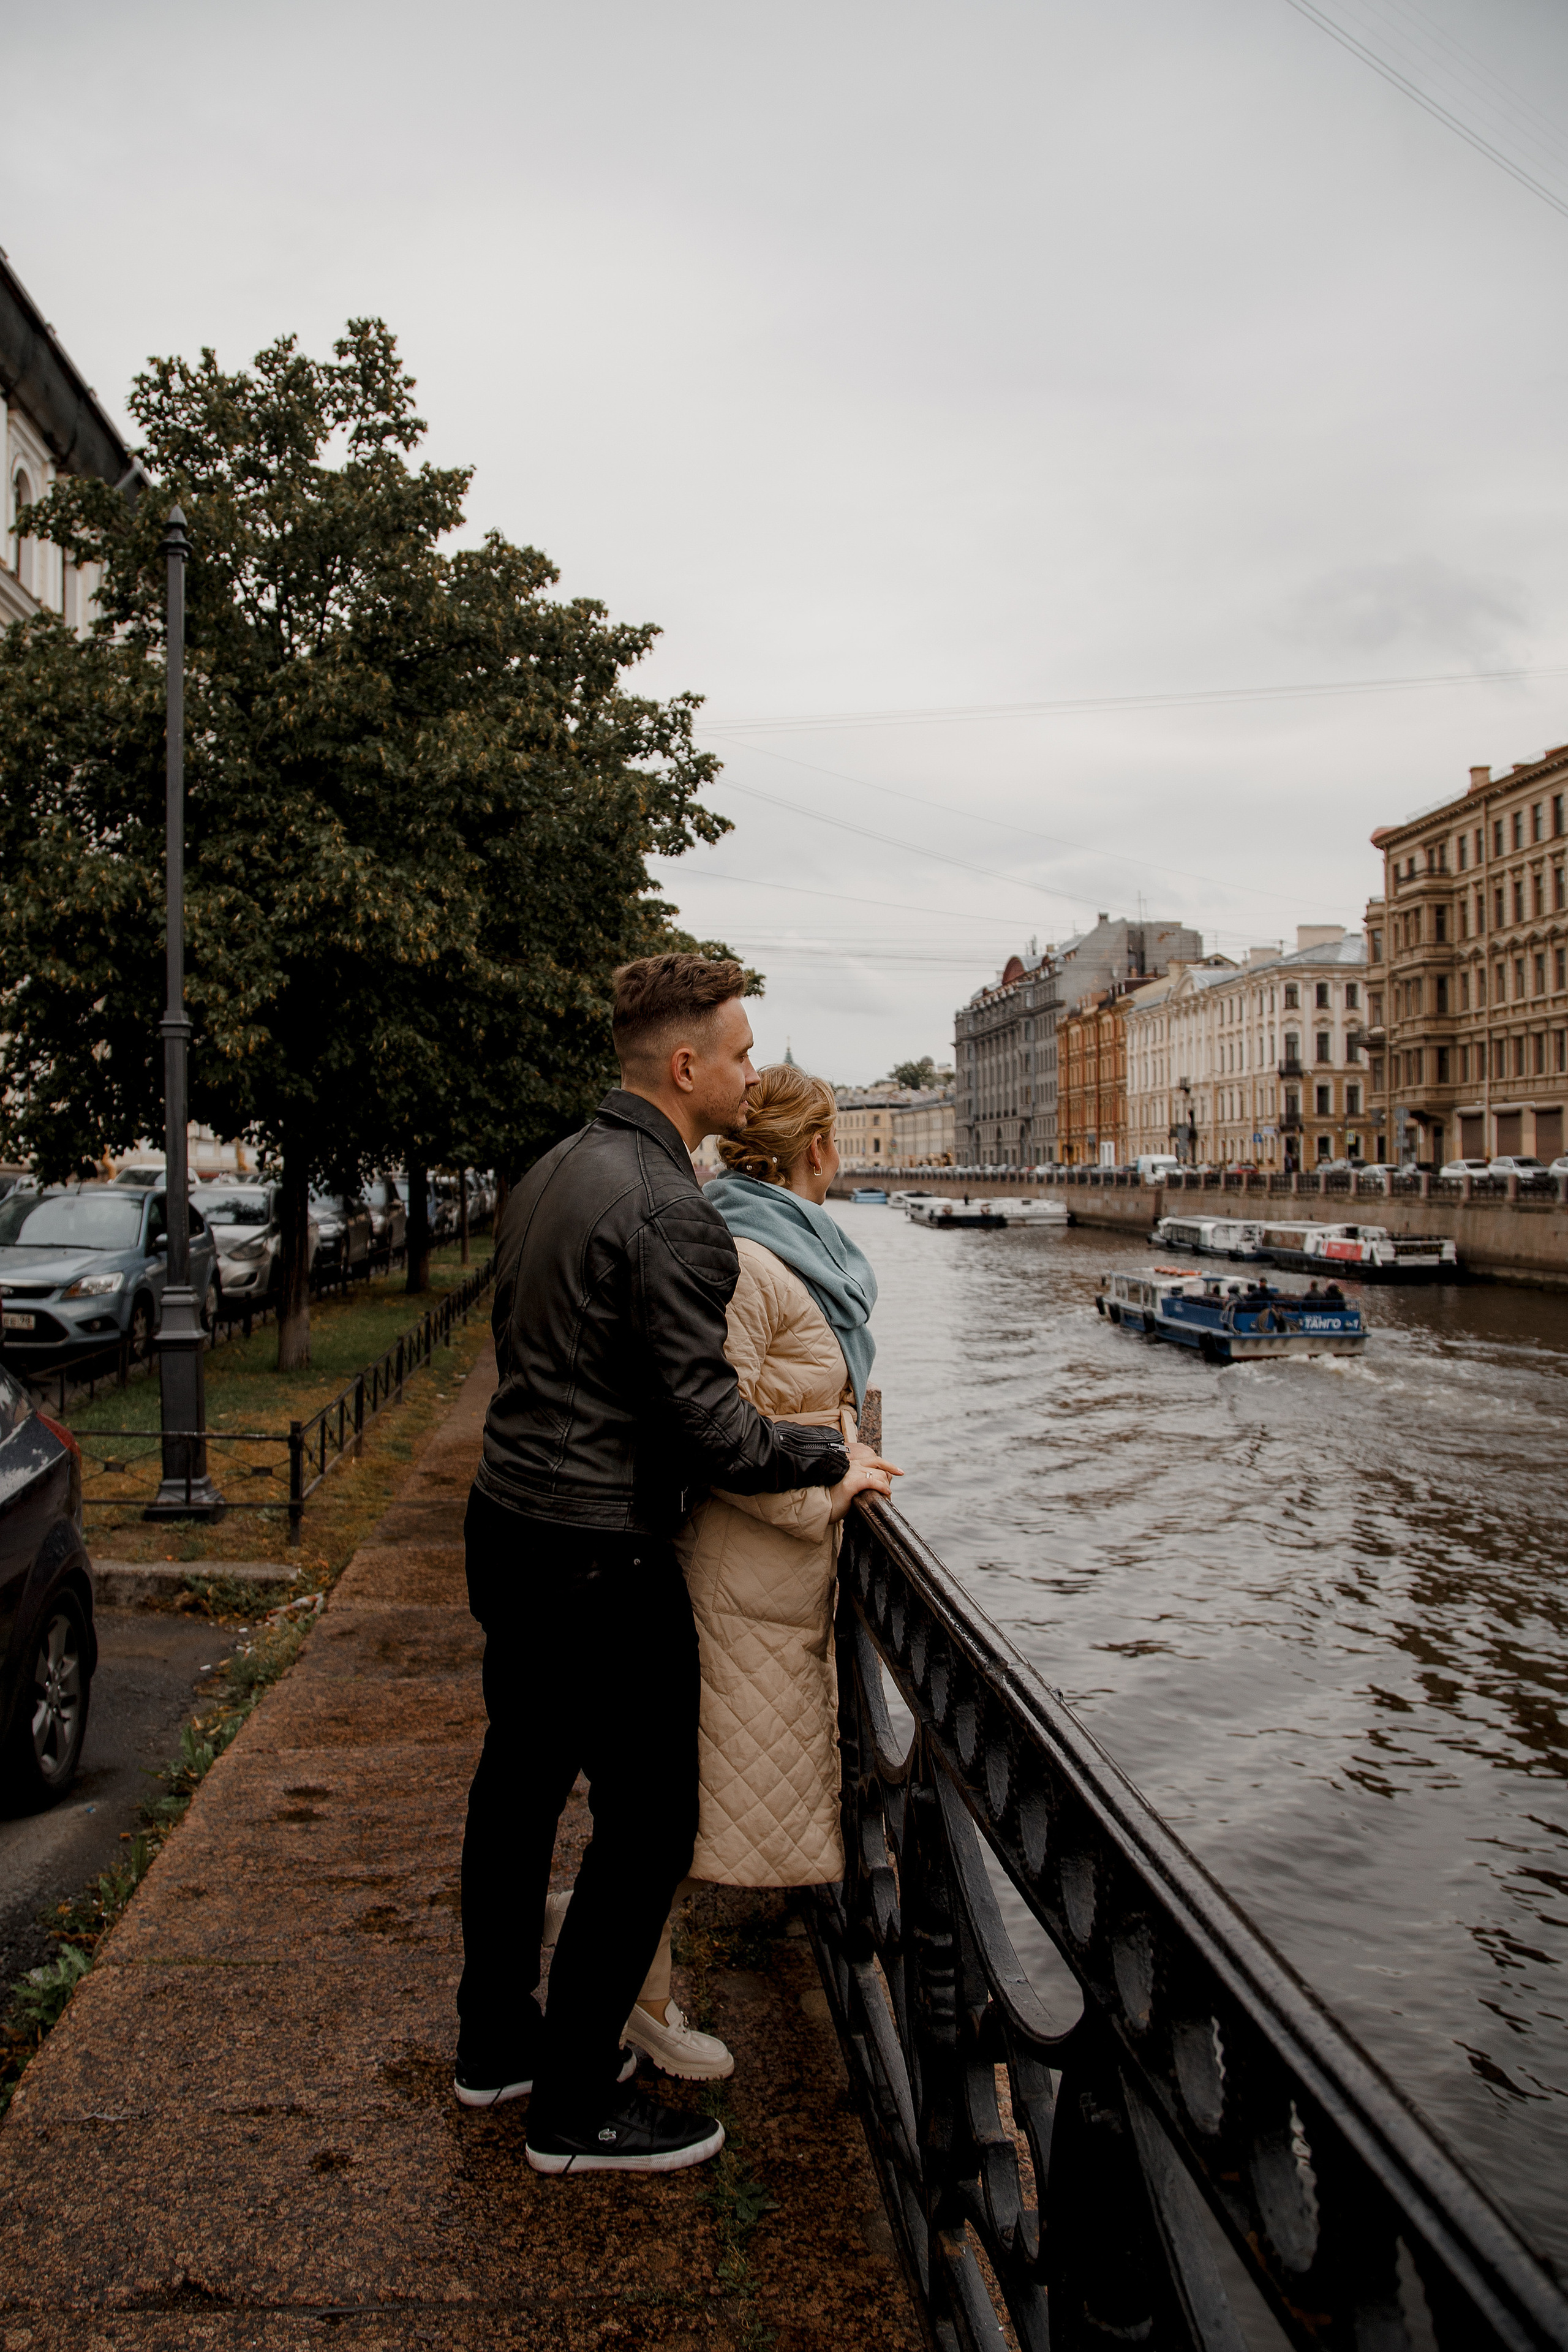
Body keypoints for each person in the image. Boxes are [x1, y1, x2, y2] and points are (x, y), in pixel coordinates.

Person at [454, 954, 893, 2178]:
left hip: (509, 1523)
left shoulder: (549, 1172)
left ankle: (495, 2044)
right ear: (686, 1067)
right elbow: (708, 1426)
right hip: (601, 1554)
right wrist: (826, 1459)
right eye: (743, 1053)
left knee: (520, 1785)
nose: (757, 1073)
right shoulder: (668, 1210)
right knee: (650, 1824)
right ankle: (574, 2107)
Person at [616, 1066, 897, 2059]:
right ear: (818, 1148)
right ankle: (629, 2004)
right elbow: (711, 1428)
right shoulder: (742, 1253)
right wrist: (826, 1490)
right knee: (682, 1807)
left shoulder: (797, 1251)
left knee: (697, 1797)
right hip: (739, 1574)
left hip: (778, 1579)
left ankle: (613, 1971)